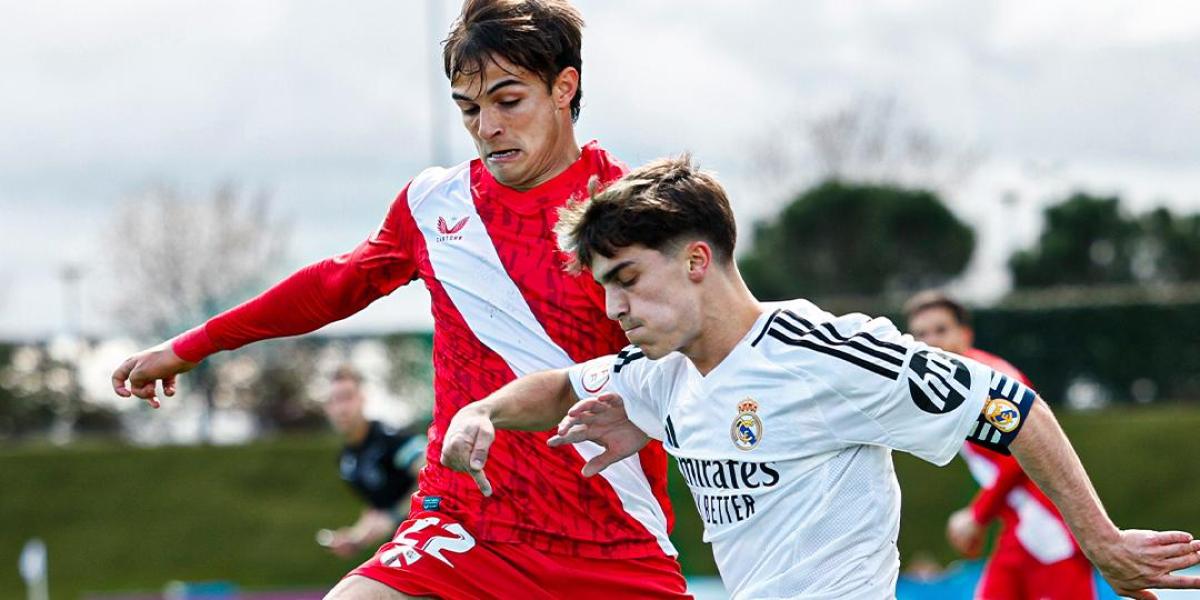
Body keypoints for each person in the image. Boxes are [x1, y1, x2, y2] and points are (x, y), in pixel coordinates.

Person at [110, 2, 688, 598]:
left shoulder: (627, 210)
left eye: (508, 101)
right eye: (469, 108)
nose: (487, 126)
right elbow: (333, 286)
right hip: (463, 529)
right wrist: (191, 345)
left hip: (609, 540)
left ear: (564, 87)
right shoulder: (435, 206)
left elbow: (699, 354)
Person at [441, 155, 1200, 600]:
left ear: (697, 260)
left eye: (628, 279)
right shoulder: (661, 373)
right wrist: (481, 411)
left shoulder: (825, 354)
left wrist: (1098, 539)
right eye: (604, 286)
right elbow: (562, 387)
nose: (613, 306)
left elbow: (1009, 405)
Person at [905, 291, 1096, 599]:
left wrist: (977, 515)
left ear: (965, 334)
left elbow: (1024, 455)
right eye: (921, 334)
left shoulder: (992, 382)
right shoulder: (954, 386)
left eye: (941, 330)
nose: (931, 343)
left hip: (1051, 528)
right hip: (1021, 530)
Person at [318, 365, 426, 559]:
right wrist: (354, 539)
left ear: (362, 398)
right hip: (403, 551)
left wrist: (394, 515)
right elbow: (378, 509)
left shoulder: (391, 439)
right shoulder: (347, 461)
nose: (342, 408)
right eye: (334, 400)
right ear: (327, 408)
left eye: (347, 397)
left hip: (432, 539)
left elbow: (433, 475)